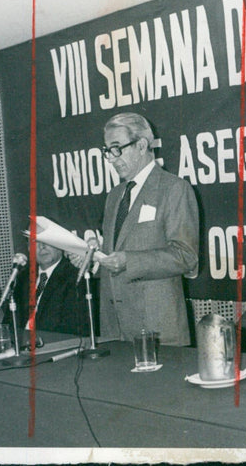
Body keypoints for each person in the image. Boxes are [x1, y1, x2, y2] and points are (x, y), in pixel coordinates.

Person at [89, 112, 198, 345]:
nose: (112, 158)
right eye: (107, 151)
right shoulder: (114, 196)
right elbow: (115, 254)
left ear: (141, 145)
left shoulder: (174, 189)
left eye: (117, 148)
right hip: (114, 329)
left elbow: (186, 256)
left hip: (157, 331)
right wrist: (93, 256)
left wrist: (129, 261)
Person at [9, 240, 90, 336]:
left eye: (46, 241)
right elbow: (10, 320)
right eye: (35, 242)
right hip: (21, 342)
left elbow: (72, 328)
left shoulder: (74, 277)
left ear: (60, 246)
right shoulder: (23, 277)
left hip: (52, 342)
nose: (42, 246)